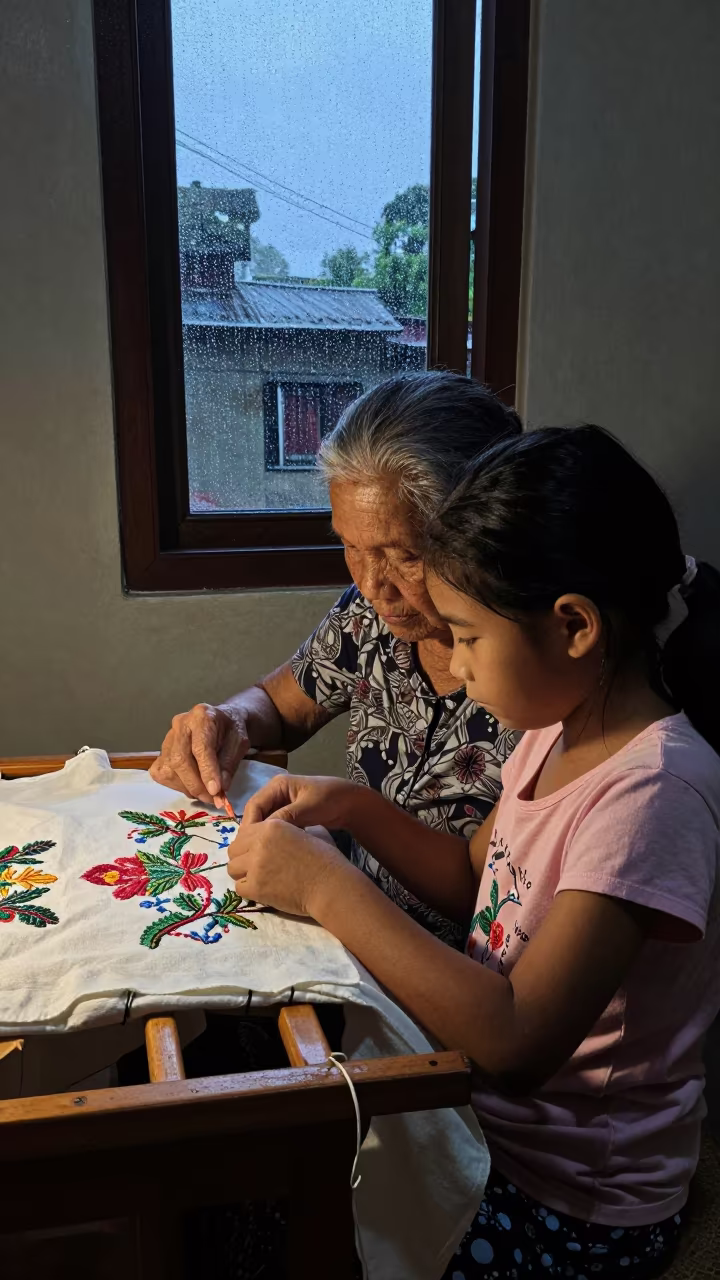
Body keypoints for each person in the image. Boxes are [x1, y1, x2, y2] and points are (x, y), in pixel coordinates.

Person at [228, 425, 720, 1279]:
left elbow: (519, 1041)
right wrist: (350, 807)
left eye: (465, 636)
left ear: (573, 626)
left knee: (306, 1230)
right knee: (271, 1174)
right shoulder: (555, 732)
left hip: (571, 1201)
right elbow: (470, 879)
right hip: (480, 1122)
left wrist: (330, 890)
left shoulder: (655, 795)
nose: (449, 661)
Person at [151, 372, 522, 947]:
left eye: (405, 555)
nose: (375, 585)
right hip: (343, 924)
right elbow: (281, 704)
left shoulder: (535, 679)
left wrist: (345, 833)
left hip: (437, 966)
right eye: (350, 547)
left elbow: (484, 893)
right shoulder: (369, 618)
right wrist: (227, 720)